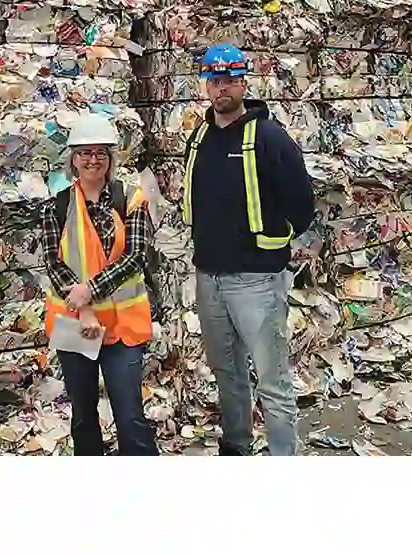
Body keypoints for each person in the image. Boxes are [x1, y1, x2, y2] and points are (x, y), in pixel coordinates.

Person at [183, 43, 315, 456]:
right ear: (206, 85)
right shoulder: (200, 137)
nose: (221, 88)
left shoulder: (270, 138)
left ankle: (281, 459)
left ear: (243, 83)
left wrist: (271, 241)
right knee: (227, 373)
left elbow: (303, 206)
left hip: (256, 279)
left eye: (229, 80)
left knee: (271, 379)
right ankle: (236, 447)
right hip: (210, 277)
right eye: (213, 80)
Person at [42, 113, 159, 456]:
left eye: (101, 153)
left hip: (122, 328)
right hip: (77, 324)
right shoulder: (58, 205)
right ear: (73, 160)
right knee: (83, 416)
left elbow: (136, 256)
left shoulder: (131, 199)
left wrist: (90, 290)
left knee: (129, 416)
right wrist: (86, 309)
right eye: (84, 153)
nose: (93, 160)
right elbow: (55, 265)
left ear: (111, 159)